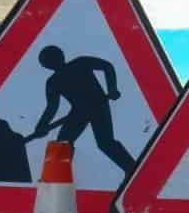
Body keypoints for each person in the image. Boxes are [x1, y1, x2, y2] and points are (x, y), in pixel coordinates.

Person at [29, 45, 136, 177]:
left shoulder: (80, 63)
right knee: (63, 143)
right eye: (49, 61)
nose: (53, 63)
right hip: (79, 112)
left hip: (98, 105)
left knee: (105, 142)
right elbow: (52, 107)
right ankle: (57, 177)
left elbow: (107, 66)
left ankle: (133, 170)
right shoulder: (53, 82)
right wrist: (42, 124)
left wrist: (112, 88)